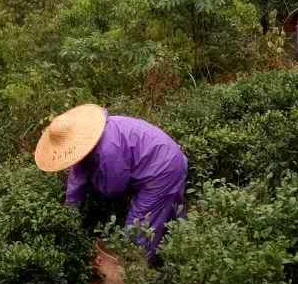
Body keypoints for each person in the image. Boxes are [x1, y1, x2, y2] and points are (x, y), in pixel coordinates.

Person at [34, 104, 187, 265]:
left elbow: (115, 187)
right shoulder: (88, 140)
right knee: (169, 216)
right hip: (166, 157)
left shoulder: (108, 150)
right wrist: (69, 212)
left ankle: (137, 273)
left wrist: (95, 189)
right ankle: (177, 256)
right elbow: (77, 178)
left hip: (163, 169)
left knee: (138, 230)